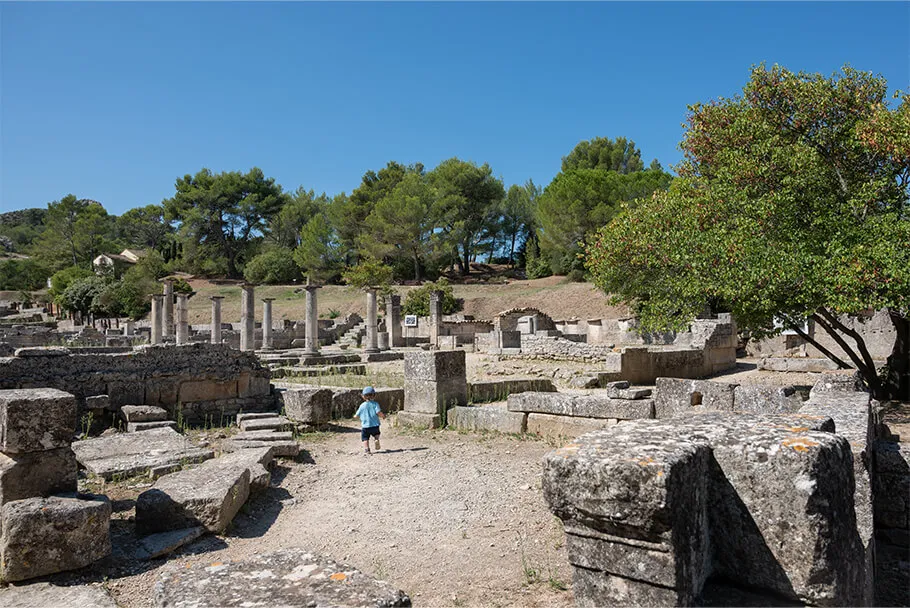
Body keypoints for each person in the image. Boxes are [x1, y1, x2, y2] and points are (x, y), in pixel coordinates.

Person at [354, 386, 385, 455]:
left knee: (365, 438)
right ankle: (376, 439)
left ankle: (367, 449)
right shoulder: (375, 404)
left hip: (365, 426)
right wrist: (383, 416)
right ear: (374, 395)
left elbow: (357, 414)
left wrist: (355, 416)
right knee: (376, 434)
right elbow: (378, 412)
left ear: (363, 396)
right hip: (375, 425)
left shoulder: (362, 405)